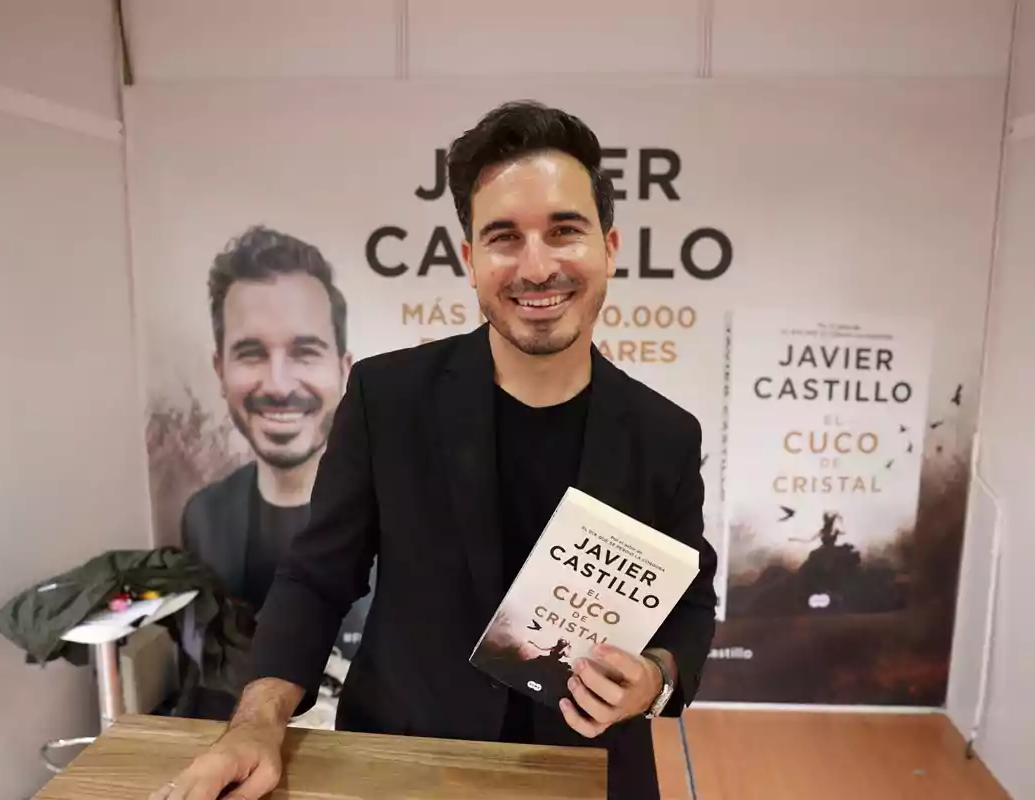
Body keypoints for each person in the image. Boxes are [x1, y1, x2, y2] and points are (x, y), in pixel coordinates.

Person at [153, 100, 719, 800]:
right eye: (504, 237)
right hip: (403, 763)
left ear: (609, 247)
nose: (536, 267)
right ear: (470, 259)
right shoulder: (385, 398)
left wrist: (656, 679)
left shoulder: (665, 434)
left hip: (589, 772)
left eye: (564, 231)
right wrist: (256, 722)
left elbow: (690, 606)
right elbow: (317, 577)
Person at [178, 226, 372, 720]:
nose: (280, 385)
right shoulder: (205, 516)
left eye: (305, 351)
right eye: (252, 353)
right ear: (220, 370)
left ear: (343, 369)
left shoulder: (409, 511)